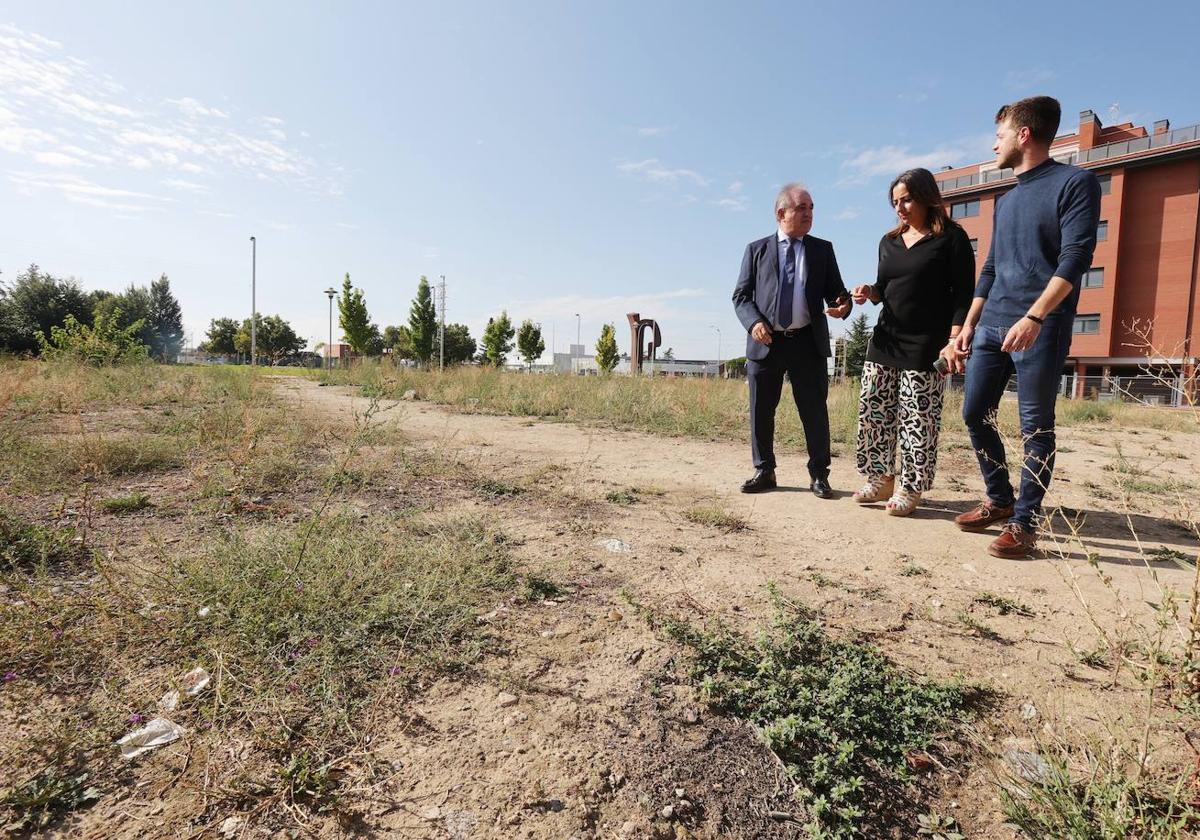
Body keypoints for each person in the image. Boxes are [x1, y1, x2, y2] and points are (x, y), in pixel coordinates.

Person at [952, 96, 1101, 558]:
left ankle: (1026, 521)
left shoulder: (1076, 183)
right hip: (993, 325)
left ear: (1023, 135)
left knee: (1035, 426)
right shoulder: (1007, 198)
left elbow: (1076, 257)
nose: (993, 144)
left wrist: (1036, 316)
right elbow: (992, 267)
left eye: (998, 135)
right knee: (975, 413)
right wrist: (968, 325)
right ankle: (999, 499)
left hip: (1040, 325)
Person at [849, 168, 975, 516]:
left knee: (917, 420)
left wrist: (954, 339)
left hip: (926, 343)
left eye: (906, 199)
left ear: (926, 197)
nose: (900, 208)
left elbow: (965, 294)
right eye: (895, 202)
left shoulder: (952, 238)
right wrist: (868, 292)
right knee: (874, 414)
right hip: (885, 340)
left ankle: (910, 486)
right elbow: (884, 288)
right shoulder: (888, 241)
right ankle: (880, 478)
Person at [732, 182, 853, 497]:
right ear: (781, 212)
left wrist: (844, 304)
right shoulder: (756, 250)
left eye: (811, 208)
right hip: (766, 342)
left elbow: (836, 291)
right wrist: (754, 322)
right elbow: (741, 296)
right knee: (761, 410)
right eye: (802, 208)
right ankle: (764, 470)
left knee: (814, 410)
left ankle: (819, 475)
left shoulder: (821, 250)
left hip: (806, 343)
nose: (809, 214)